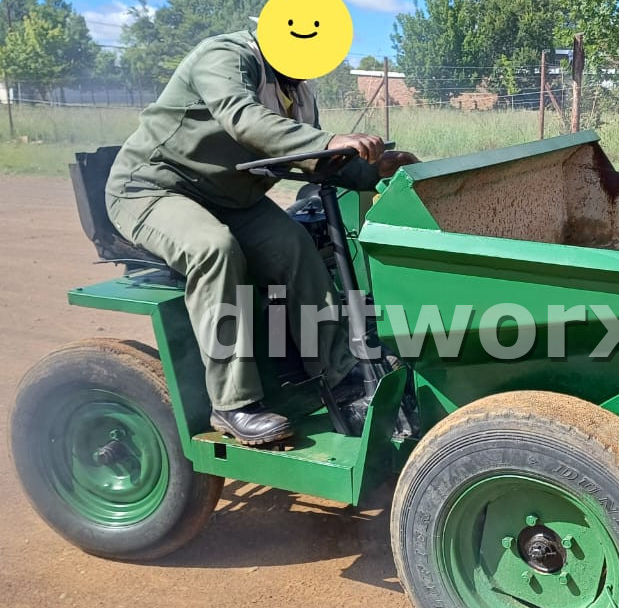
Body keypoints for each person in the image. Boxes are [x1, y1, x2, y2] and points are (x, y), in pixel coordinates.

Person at [105, 26, 415, 445]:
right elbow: (244, 118)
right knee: (214, 249)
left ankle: (342, 375)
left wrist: (373, 170)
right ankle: (233, 404)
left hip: (231, 198)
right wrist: (330, 139)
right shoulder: (224, 56)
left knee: (297, 247)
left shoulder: (298, 90)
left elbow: (313, 160)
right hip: (154, 189)